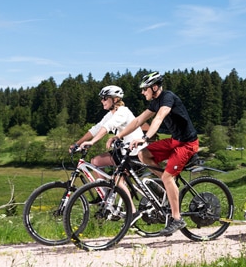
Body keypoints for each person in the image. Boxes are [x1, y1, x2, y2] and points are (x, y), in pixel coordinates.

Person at [107, 71, 198, 236]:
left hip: (187, 144)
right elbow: (138, 121)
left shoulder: (167, 98)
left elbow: (159, 118)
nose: (142, 92)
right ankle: (167, 186)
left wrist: (146, 137)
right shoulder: (155, 101)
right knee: (144, 154)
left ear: (154, 87)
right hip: (175, 140)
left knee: (167, 176)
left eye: (145, 89)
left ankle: (177, 218)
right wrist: (118, 136)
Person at [69, 85, 146, 209]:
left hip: (135, 153)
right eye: (102, 98)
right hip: (123, 152)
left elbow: (108, 127)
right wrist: (77, 143)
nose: (102, 101)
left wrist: (92, 142)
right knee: (95, 161)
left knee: (117, 180)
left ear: (115, 99)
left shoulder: (123, 111)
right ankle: (105, 197)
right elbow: (97, 128)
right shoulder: (111, 114)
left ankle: (132, 211)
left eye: (105, 98)